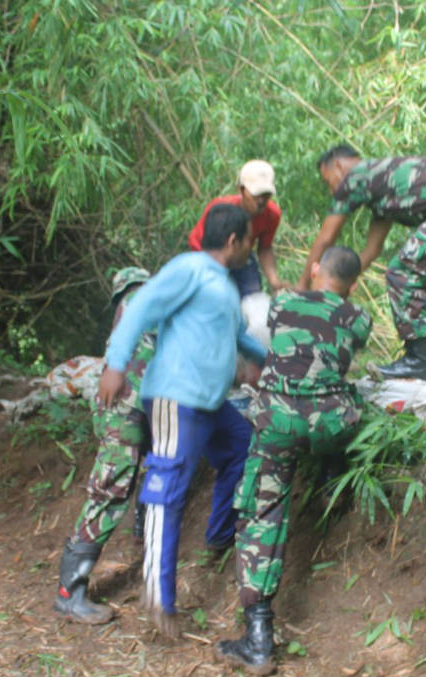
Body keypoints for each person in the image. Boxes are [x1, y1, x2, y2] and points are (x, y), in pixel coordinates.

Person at [98, 203, 268, 637]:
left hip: (212, 404)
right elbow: (140, 309)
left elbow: (238, 338)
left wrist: (275, 360)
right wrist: (116, 364)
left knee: (243, 448)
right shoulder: (188, 269)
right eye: (250, 239)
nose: (253, 246)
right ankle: (158, 595)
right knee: (167, 488)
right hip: (178, 399)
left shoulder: (224, 287)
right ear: (233, 241)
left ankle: (217, 538)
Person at [217, 246, 372, 675]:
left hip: (281, 423)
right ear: (354, 285)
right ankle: (331, 478)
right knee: (339, 416)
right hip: (330, 424)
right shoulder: (359, 317)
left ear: (316, 268)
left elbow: (283, 318)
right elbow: (343, 335)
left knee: (261, 513)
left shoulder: (284, 302)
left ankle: (258, 638)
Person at [299, 145, 426, 380]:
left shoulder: (356, 176)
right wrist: (341, 289)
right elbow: (371, 251)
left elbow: (326, 237)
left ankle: (418, 361)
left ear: (339, 166)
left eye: (327, 180)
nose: (331, 189)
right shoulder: (380, 188)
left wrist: (303, 287)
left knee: (402, 273)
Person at [54, 266, 153, 625]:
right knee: (109, 491)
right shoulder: (140, 300)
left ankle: (142, 534)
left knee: (127, 479)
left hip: (128, 408)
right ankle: (69, 594)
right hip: (124, 411)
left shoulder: (126, 309)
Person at [189, 160, 292, 297]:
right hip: (207, 254)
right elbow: (198, 242)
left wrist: (274, 281)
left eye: (266, 195)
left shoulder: (272, 215)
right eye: (256, 194)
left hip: (242, 255)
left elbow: (265, 248)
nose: (261, 200)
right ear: (241, 189)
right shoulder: (220, 209)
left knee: (253, 297)